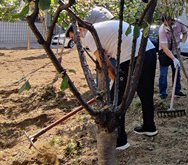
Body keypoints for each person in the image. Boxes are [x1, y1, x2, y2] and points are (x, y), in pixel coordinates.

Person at [67, 16, 157, 151]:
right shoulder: (101, 27)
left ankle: (120, 140)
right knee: (146, 92)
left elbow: (106, 65)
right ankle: (149, 126)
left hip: (131, 56)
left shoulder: (90, 35)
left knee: (117, 100)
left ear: (80, 29)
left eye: (76, 38)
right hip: (149, 50)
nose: (78, 41)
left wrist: (115, 81)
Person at [158, 15, 188, 99]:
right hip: (165, 53)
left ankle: (177, 91)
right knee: (163, 74)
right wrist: (173, 59)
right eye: (165, 23)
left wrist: (182, 43)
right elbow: (165, 48)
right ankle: (163, 93)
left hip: (176, 51)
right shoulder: (162, 30)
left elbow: (185, 33)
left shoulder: (178, 22)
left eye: (170, 23)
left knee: (177, 72)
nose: (167, 25)